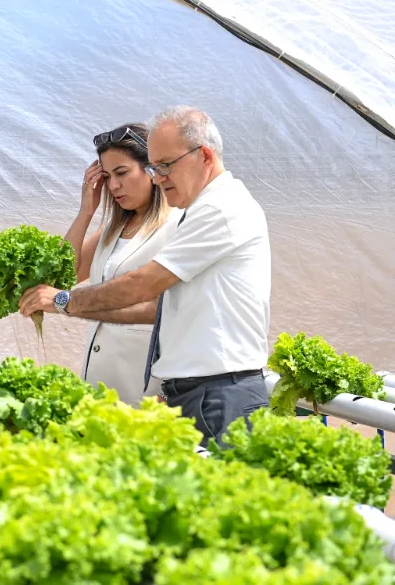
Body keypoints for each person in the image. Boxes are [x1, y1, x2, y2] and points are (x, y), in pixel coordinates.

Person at [20, 107, 270, 445]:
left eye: (164, 166)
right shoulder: (191, 213)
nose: (158, 176)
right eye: (155, 167)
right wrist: (86, 211)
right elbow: (67, 274)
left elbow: (145, 288)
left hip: (216, 390)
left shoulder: (215, 211)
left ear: (205, 156)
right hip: (191, 389)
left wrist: (65, 302)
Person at [37, 123, 181, 406]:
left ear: (151, 170)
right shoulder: (111, 230)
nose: (113, 185)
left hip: (146, 387)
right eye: (107, 176)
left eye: (122, 173)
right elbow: (60, 278)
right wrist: (86, 211)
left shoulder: (177, 225)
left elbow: (173, 310)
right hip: (99, 382)